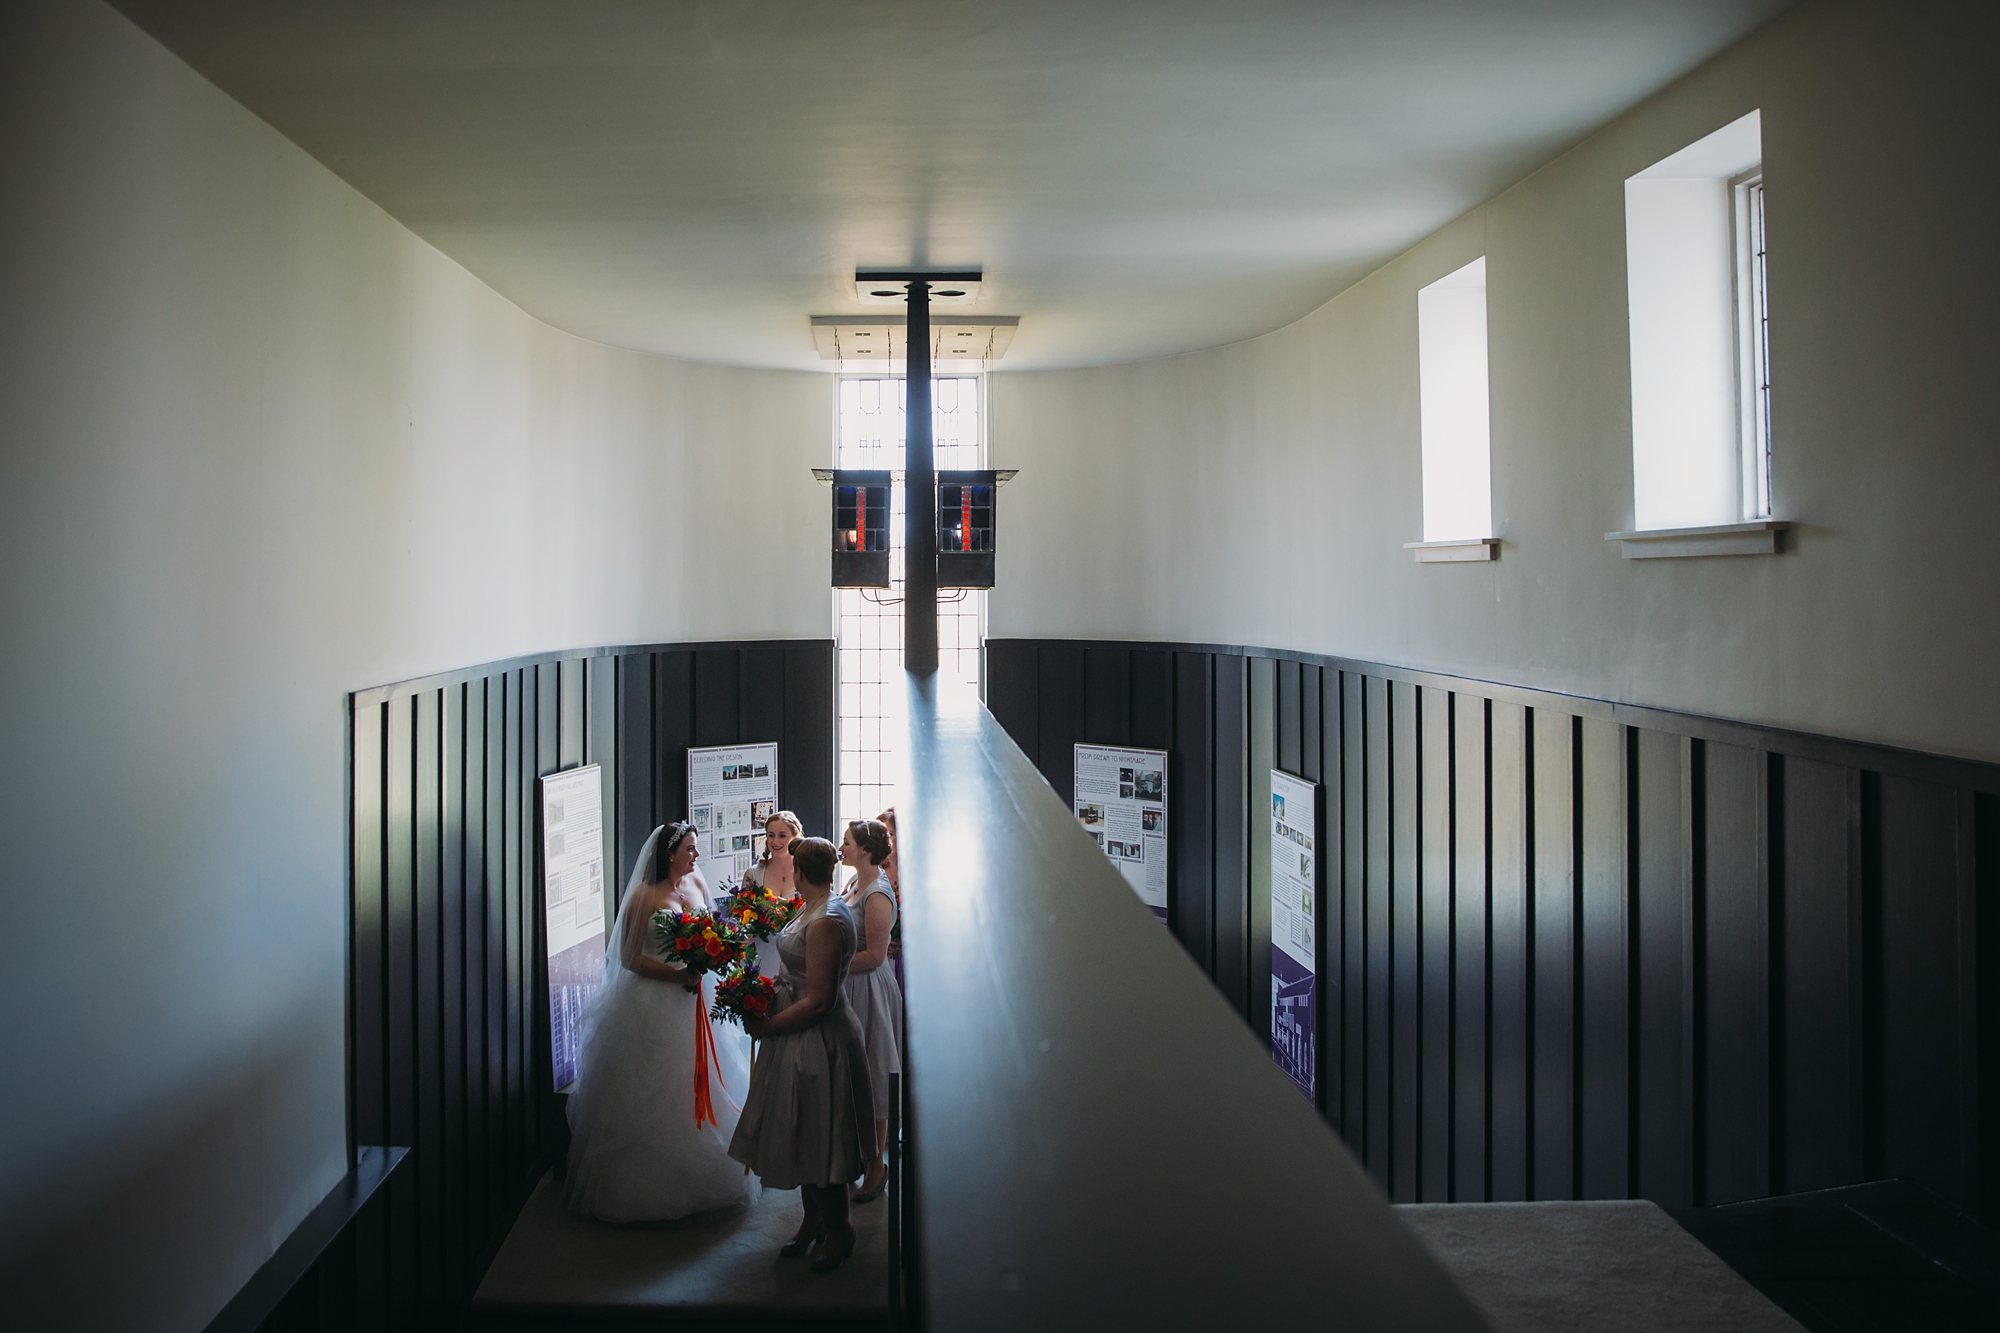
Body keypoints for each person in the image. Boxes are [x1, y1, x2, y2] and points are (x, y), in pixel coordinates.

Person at [562, 823, 756, 1221]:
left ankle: (709, 1181)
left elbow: (715, 932)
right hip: (653, 1004)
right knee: (658, 1091)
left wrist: (713, 959)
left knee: (701, 1085)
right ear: (670, 854)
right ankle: (646, 1193)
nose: (696, 856)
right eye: (690, 848)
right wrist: (676, 976)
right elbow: (630, 959)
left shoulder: (698, 887)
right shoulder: (643, 897)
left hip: (696, 1004)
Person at [729, 837, 875, 1272]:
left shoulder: (828, 919)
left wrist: (769, 1026)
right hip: (796, 1036)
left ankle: (841, 1229)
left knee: (821, 1137)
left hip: (820, 1039)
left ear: (800, 869)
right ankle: (813, 1220)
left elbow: (820, 1001)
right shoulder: (807, 906)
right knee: (801, 1137)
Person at [838, 818, 903, 1203]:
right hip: (848, 987)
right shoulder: (851, 885)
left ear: (864, 850)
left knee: (874, 1072)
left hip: (868, 989)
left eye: (847, 842)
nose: (842, 847)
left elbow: (876, 955)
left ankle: (876, 1168)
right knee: (851, 1074)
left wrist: (831, 963)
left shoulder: (877, 893)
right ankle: (855, 1160)